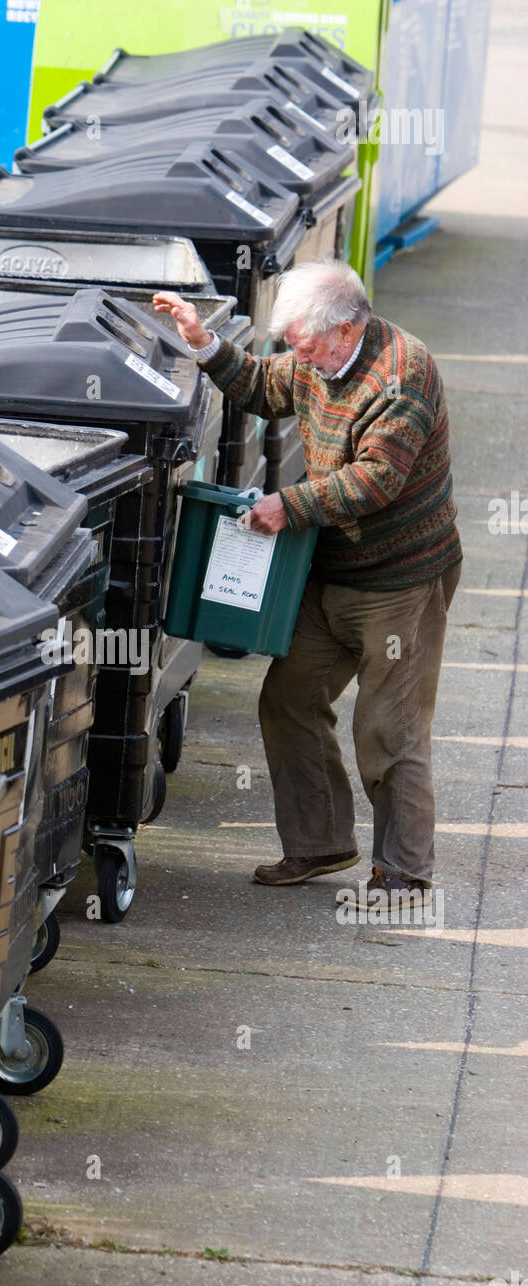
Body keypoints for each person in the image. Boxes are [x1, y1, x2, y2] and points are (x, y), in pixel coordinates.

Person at [153, 259, 462, 900]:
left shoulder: (403, 374)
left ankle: (404, 871)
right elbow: (267, 388)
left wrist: (287, 506)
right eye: (292, 340)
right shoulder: (319, 358)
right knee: (290, 700)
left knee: (389, 728)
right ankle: (320, 844)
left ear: (348, 329)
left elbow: (377, 479)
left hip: (401, 584)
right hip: (328, 571)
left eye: (307, 342)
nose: (298, 352)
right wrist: (206, 344)